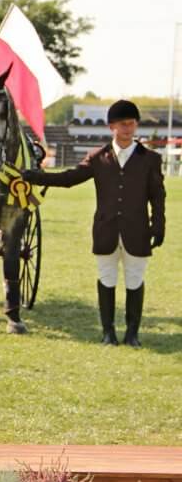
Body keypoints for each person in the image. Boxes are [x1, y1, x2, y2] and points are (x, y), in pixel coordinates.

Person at [23, 100, 165, 347]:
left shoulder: (150, 159)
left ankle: (132, 334)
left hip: (137, 230)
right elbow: (69, 179)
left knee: (134, 279)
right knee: (107, 278)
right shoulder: (98, 158)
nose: (129, 128)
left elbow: (158, 196)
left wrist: (158, 225)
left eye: (132, 124)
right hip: (106, 229)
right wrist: (34, 176)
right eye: (123, 124)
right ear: (112, 126)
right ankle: (108, 332)